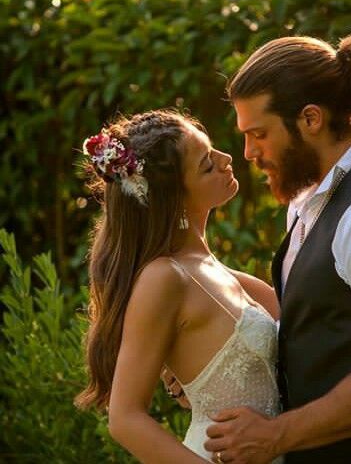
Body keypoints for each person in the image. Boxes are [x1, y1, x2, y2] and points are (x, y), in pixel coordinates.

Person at [203, 35, 351, 463]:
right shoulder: (308, 199)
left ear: (311, 119)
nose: (248, 152)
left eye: (259, 134)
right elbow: (317, 327)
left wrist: (277, 435)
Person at [73, 109, 284, 464]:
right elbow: (125, 418)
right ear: (175, 197)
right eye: (206, 164)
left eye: (213, 150)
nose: (227, 159)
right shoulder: (164, 278)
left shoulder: (222, 274)